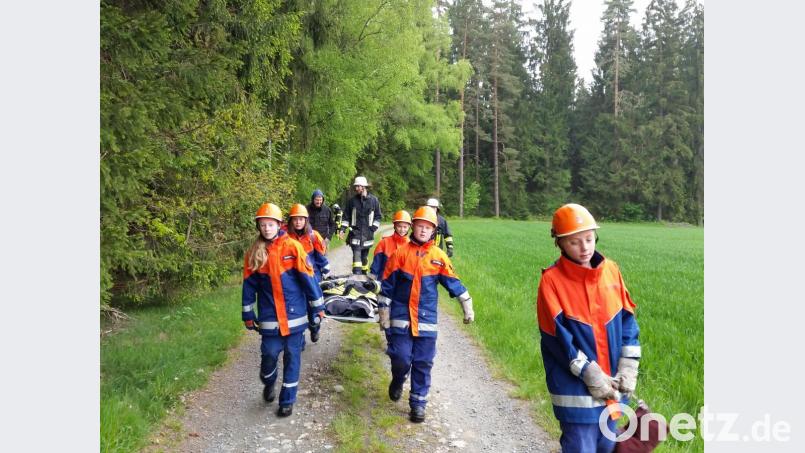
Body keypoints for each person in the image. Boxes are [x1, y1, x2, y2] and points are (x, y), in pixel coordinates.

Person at [535, 203, 641, 452]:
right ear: (559, 243)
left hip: (612, 391)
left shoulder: (611, 271)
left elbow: (627, 321)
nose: (584, 248)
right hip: (576, 395)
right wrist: (589, 373)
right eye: (574, 242)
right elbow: (557, 340)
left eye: (589, 239)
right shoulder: (551, 281)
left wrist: (628, 366)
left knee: (608, 447)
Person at [378, 206, 475, 423]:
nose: (423, 230)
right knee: (401, 358)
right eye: (420, 226)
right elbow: (386, 287)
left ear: (434, 231)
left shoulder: (438, 257)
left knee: (423, 362)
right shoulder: (400, 254)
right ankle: (398, 379)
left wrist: (466, 304)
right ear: (413, 227)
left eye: (428, 227)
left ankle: (418, 405)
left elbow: (453, 282)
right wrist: (383, 313)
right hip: (401, 317)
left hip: (426, 319)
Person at [242, 202, 326, 417]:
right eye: (263, 225)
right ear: (259, 227)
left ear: (279, 224)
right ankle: (269, 380)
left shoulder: (293, 247)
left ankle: (287, 401)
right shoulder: (254, 253)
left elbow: (308, 278)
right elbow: (248, 286)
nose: (267, 228)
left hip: (294, 316)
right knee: (269, 354)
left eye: (270, 224)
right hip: (270, 317)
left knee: (292, 357)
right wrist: (248, 314)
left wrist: (318, 306)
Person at [286, 203, 330, 343]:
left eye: (301, 219)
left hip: (312, 276)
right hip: (294, 278)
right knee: (296, 309)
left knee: (313, 307)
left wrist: (325, 269)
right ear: (291, 221)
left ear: (306, 220)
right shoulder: (285, 237)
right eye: (295, 219)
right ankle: (299, 338)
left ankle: (314, 327)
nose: (298, 222)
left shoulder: (313, 236)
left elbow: (320, 256)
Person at [338, 176, 382, 275]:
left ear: (364, 187)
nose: (356, 188)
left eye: (358, 186)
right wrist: (342, 230)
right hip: (355, 234)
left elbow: (378, 216)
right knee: (356, 257)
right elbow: (346, 217)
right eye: (356, 186)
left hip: (368, 235)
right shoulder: (352, 201)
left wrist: (373, 228)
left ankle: (364, 274)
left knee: (364, 258)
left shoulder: (374, 200)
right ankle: (356, 275)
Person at [368, 210, 411, 280]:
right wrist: (372, 280)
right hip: (384, 281)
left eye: (405, 227)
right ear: (395, 226)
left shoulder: (411, 245)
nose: (402, 229)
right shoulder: (384, 243)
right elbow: (376, 265)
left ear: (409, 227)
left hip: (402, 283)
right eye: (399, 226)